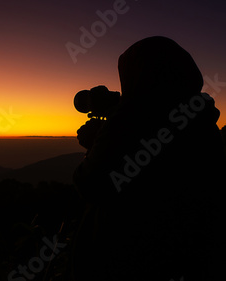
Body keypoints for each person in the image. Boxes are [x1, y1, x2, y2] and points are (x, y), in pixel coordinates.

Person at [71, 36, 226, 281]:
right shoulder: (201, 119)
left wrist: (95, 143)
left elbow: (91, 183)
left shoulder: (131, 122)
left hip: (128, 257)